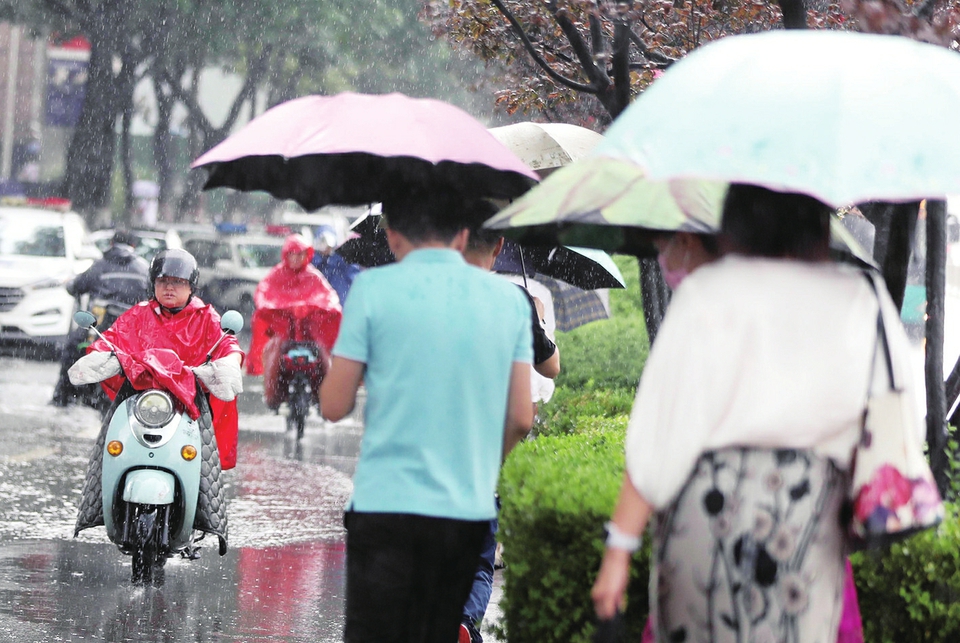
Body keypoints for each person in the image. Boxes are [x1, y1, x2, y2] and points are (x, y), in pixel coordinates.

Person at [591, 184, 920, 643]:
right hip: (807, 522)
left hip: (702, 519)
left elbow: (658, 436)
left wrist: (619, 550)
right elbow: (899, 413)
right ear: (818, 223)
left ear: (734, 222)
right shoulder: (861, 297)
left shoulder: (706, 293)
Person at [320, 188, 534, 643]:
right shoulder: (510, 302)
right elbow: (520, 417)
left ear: (392, 235)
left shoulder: (373, 290)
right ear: (462, 236)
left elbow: (334, 405)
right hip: (463, 508)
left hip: (385, 505)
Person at [458, 227, 561, 643]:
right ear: (499, 246)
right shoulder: (513, 301)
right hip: (488, 445)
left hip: (431, 453)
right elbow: (549, 371)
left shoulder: (421, 294)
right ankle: (465, 622)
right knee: (480, 560)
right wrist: (536, 320)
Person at [52, 229, 150, 408]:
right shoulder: (144, 268)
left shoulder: (100, 265)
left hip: (99, 332)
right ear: (133, 245)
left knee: (72, 350)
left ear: (111, 244)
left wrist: (69, 282)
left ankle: (63, 399)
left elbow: (75, 287)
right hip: (132, 337)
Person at [247, 233, 342, 410]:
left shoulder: (313, 276)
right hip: (283, 332)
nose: (297, 258)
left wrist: (315, 309)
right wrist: (278, 309)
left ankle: (327, 397)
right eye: (293, 254)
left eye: (301, 254)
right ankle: (272, 397)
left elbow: (328, 296)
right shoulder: (276, 275)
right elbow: (263, 293)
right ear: (286, 254)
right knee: (274, 357)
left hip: (309, 334)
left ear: (307, 255)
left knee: (324, 357)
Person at [312, 224, 361, 304]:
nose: (326, 249)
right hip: (321, 304)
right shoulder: (312, 262)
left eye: (328, 245)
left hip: (341, 302)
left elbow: (356, 278)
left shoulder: (342, 261)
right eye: (322, 243)